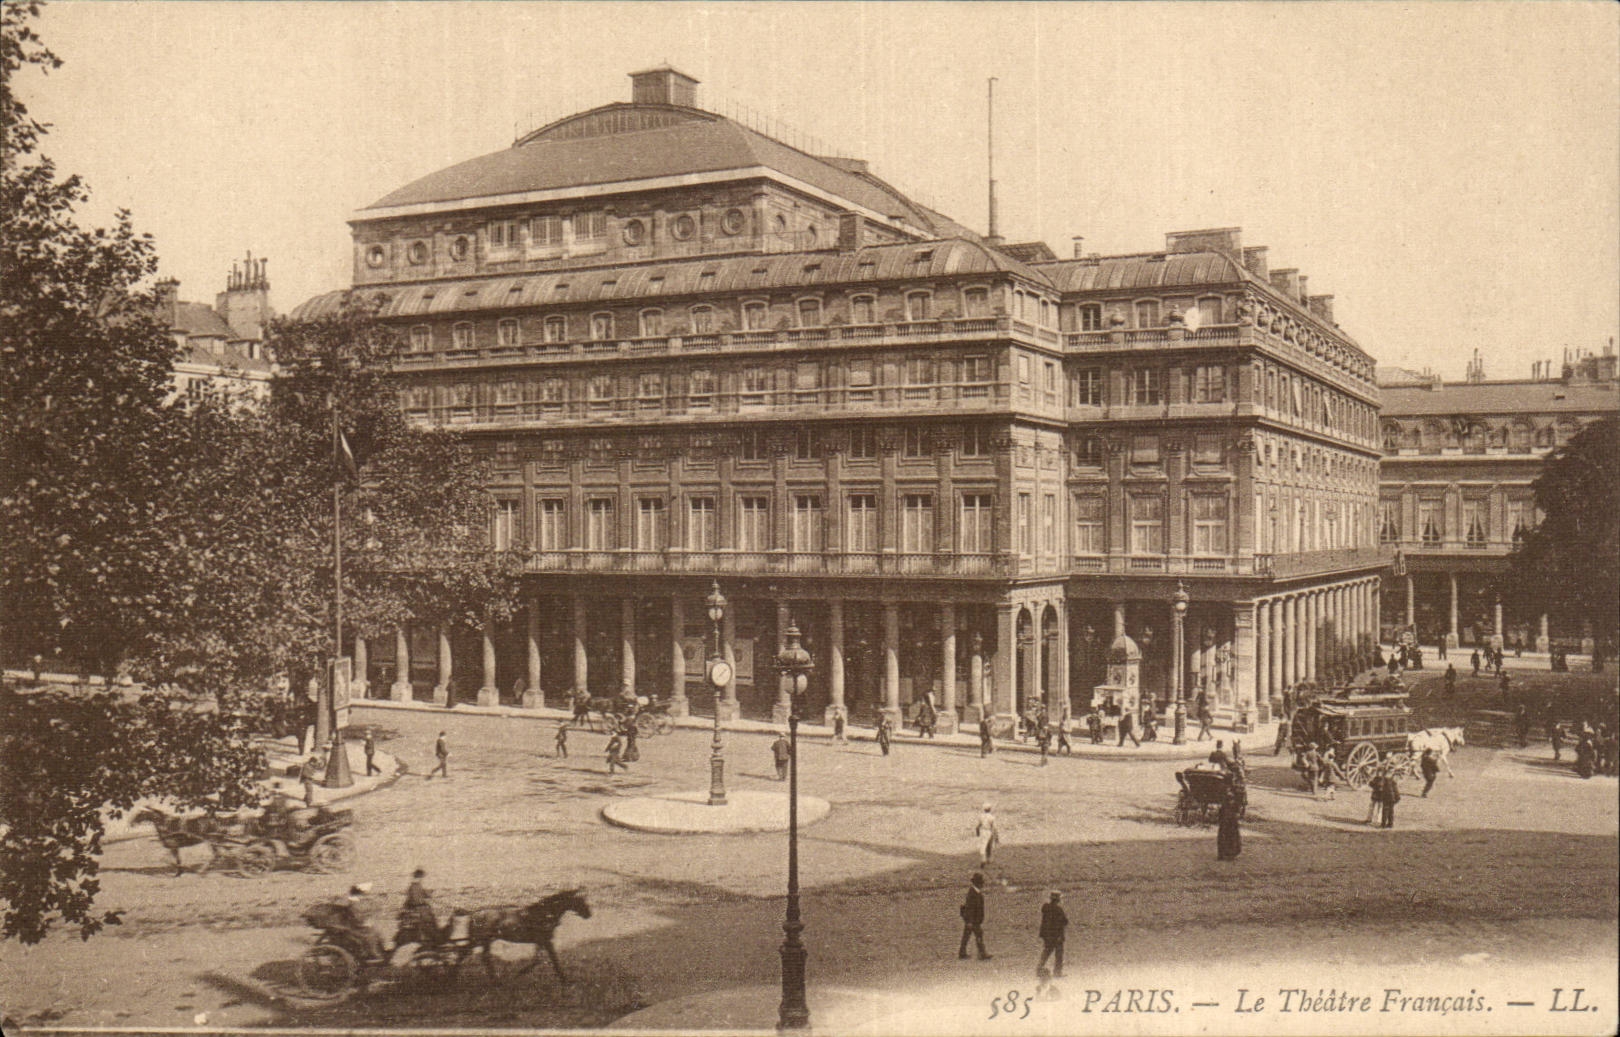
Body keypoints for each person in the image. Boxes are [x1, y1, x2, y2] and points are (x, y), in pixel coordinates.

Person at [335, 883, 387, 962]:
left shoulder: (356, 900)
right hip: (354, 926)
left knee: (377, 933)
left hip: (357, 924)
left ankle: (377, 952)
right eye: (363, 894)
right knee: (371, 935)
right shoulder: (353, 901)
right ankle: (372, 954)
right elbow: (356, 915)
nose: (365, 895)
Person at [394, 868, 441, 953]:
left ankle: (435, 936)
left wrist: (427, 894)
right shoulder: (415, 886)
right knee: (431, 920)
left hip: (418, 909)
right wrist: (425, 898)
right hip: (420, 910)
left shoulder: (414, 886)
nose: (422, 879)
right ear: (420, 877)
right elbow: (416, 900)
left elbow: (417, 897)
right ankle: (436, 938)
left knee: (431, 917)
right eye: (421, 877)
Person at [957, 872, 992, 960]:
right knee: (978, 935)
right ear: (978, 883)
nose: (982, 884)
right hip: (973, 920)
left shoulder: (974, 892)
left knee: (967, 936)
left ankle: (962, 953)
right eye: (981, 883)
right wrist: (969, 921)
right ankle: (982, 953)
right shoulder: (973, 894)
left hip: (972, 919)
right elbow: (970, 909)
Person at [1036, 891, 1067, 978]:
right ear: (1058, 900)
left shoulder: (1046, 908)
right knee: (1059, 954)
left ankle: (1039, 969)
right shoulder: (1058, 910)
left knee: (1046, 952)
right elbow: (1064, 921)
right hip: (1057, 935)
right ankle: (1057, 973)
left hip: (1047, 934)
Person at [1216, 776, 1242, 860]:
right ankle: (1230, 853)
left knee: (1223, 833)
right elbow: (1238, 803)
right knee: (1232, 833)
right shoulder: (1234, 789)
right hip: (1230, 815)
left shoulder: (1221, 788)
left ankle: (1222, 853)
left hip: (1224, 814)